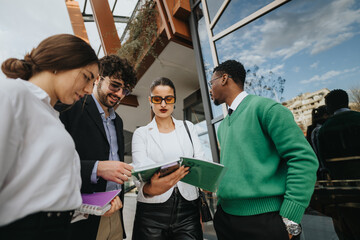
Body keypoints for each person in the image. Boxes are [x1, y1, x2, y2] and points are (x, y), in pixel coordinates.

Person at [0, 34, 99, 239]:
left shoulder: (53, 115)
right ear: (60, 62)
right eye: (87, 77)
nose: (89, 90)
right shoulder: (13, 94)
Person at [209, 60, 318, 240]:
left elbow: (303, 159)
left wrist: (291, 218)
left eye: (211, 82)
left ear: (224, 79)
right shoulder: (223, 126)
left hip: (266, 222)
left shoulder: (267, 109)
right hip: (226, 219)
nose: (210, 89)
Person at [58, 54, 137, 240]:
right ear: (98, 79)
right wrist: (97, 168)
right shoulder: (71, 108)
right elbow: (55, 164)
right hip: (83, 217)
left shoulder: (118, 121)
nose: (118, 94)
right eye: (115, 85)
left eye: (124, 90)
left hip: (116, 212)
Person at [131, 77, 205, 240]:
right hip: (151, 213)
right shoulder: (141, 133)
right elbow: (139, 175)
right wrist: (150, 189)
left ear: (174, 101)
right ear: (150, 101)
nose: (163, 104)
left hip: (188, 210)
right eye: (158, 99)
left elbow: (199, 161)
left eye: (168, 99)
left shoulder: (188, 127)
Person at [317, 89, 360, 240]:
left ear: (329, 106)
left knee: (351, 228)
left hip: (343, 190)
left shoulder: (324, 130)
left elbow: (324, 162)